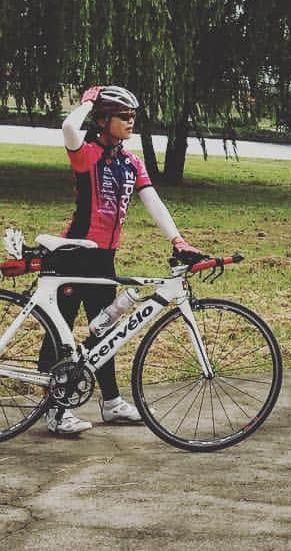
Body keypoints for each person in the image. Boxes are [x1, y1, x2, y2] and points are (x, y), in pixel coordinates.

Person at [40, 84, 205, 436]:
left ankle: (111, 402)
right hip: (74, 257)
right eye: (124, 117)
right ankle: (53, 410)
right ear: (103, 120)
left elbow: (154, 202)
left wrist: (177, 239)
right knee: (60, 333)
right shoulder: (87, 155)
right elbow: (69, 129)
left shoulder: (132, 163)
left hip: (104, 261)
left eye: (134, 117)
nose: (132, 122)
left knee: (105, 331)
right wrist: (87, 103)